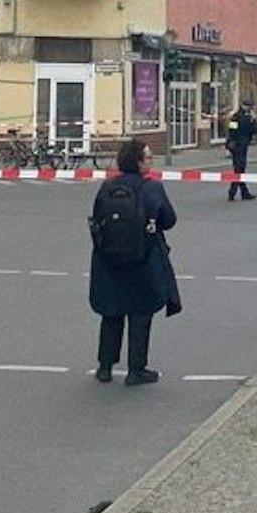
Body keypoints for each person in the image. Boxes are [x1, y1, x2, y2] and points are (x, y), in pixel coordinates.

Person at [88, 139, 179, 386]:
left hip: (108, 260)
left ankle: (105, 367)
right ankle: (136, 369)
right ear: (138, 162)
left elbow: (97, 217)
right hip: (143, 259)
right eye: (148, 157)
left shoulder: (107, 186)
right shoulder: (152, 188)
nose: (151, 161)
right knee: (140, 313)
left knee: (111, 312)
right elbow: (170, 219)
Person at [224, 100, 257, 202]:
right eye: (249, 106)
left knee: (240, 170)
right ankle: (232, 193)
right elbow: (234, 130)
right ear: (244, 106)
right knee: (239, 170)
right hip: (239, 146)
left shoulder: (241, 116)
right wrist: (252, 121)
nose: (250, 108)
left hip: (240, 145)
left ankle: (244, 193)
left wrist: (252, 121)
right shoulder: (240, 117)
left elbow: (233, 131)